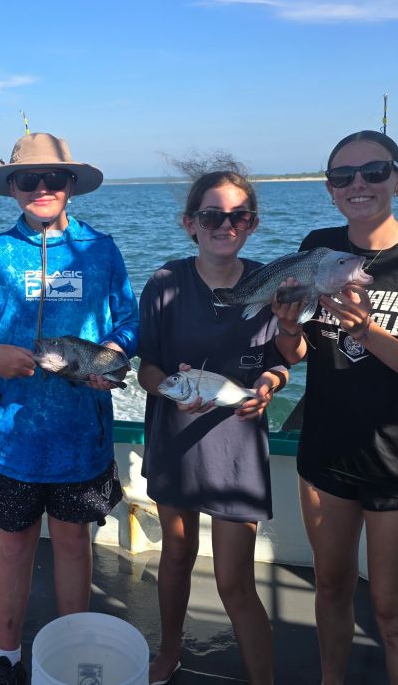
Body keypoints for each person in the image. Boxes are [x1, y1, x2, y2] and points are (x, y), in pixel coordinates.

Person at [274, 131, 398, 684]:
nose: (358, 184)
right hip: (326, 450)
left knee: (393, 611)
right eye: (343, 176)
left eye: (374, 172)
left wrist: (370, 330)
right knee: (330, 588)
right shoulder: (319, 245)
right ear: (331, 190)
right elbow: (301, 351)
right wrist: (289, 330)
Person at [0, 132, 139, 685]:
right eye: (27, 179)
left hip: (82, 437)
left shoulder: (101, 249)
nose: (41, 188)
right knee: (13, 546)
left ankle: (73, 653)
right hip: (10, 439)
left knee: (75, 542)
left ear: (70, 185)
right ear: (12, 188)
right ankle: (8, 656)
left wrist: (109, 357)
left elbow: (129, 322)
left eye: (52, 179)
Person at [137, 161, 295, 685]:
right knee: (176, 554)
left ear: (252, 223)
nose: (225, 225)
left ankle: (263, 677)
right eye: (212, 216)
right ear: (190, 224)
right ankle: (169, 649)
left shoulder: (270, 281)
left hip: (237, 447)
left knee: (234, 581)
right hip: (176, 438)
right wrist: (168, 390)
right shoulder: (164, 283)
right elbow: (147, 368)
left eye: (239, 216)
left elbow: (284, 356)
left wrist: (271, 385)